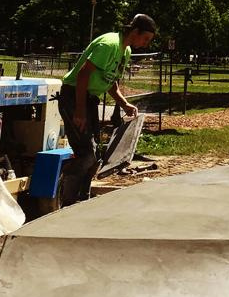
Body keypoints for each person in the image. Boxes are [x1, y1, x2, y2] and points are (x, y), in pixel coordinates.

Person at [58, 13, 156, 205]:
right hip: (74, 97)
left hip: (89, 100)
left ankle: (83, 200)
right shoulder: (109, 44)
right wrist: (79, 110)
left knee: (95, 157)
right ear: (135, 31)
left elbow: (111, 81)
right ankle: (66, 200)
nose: (145, 44)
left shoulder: (125, 50)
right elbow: (83, 75)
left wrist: (123, 103)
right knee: (86, 154)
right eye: (145, 39)